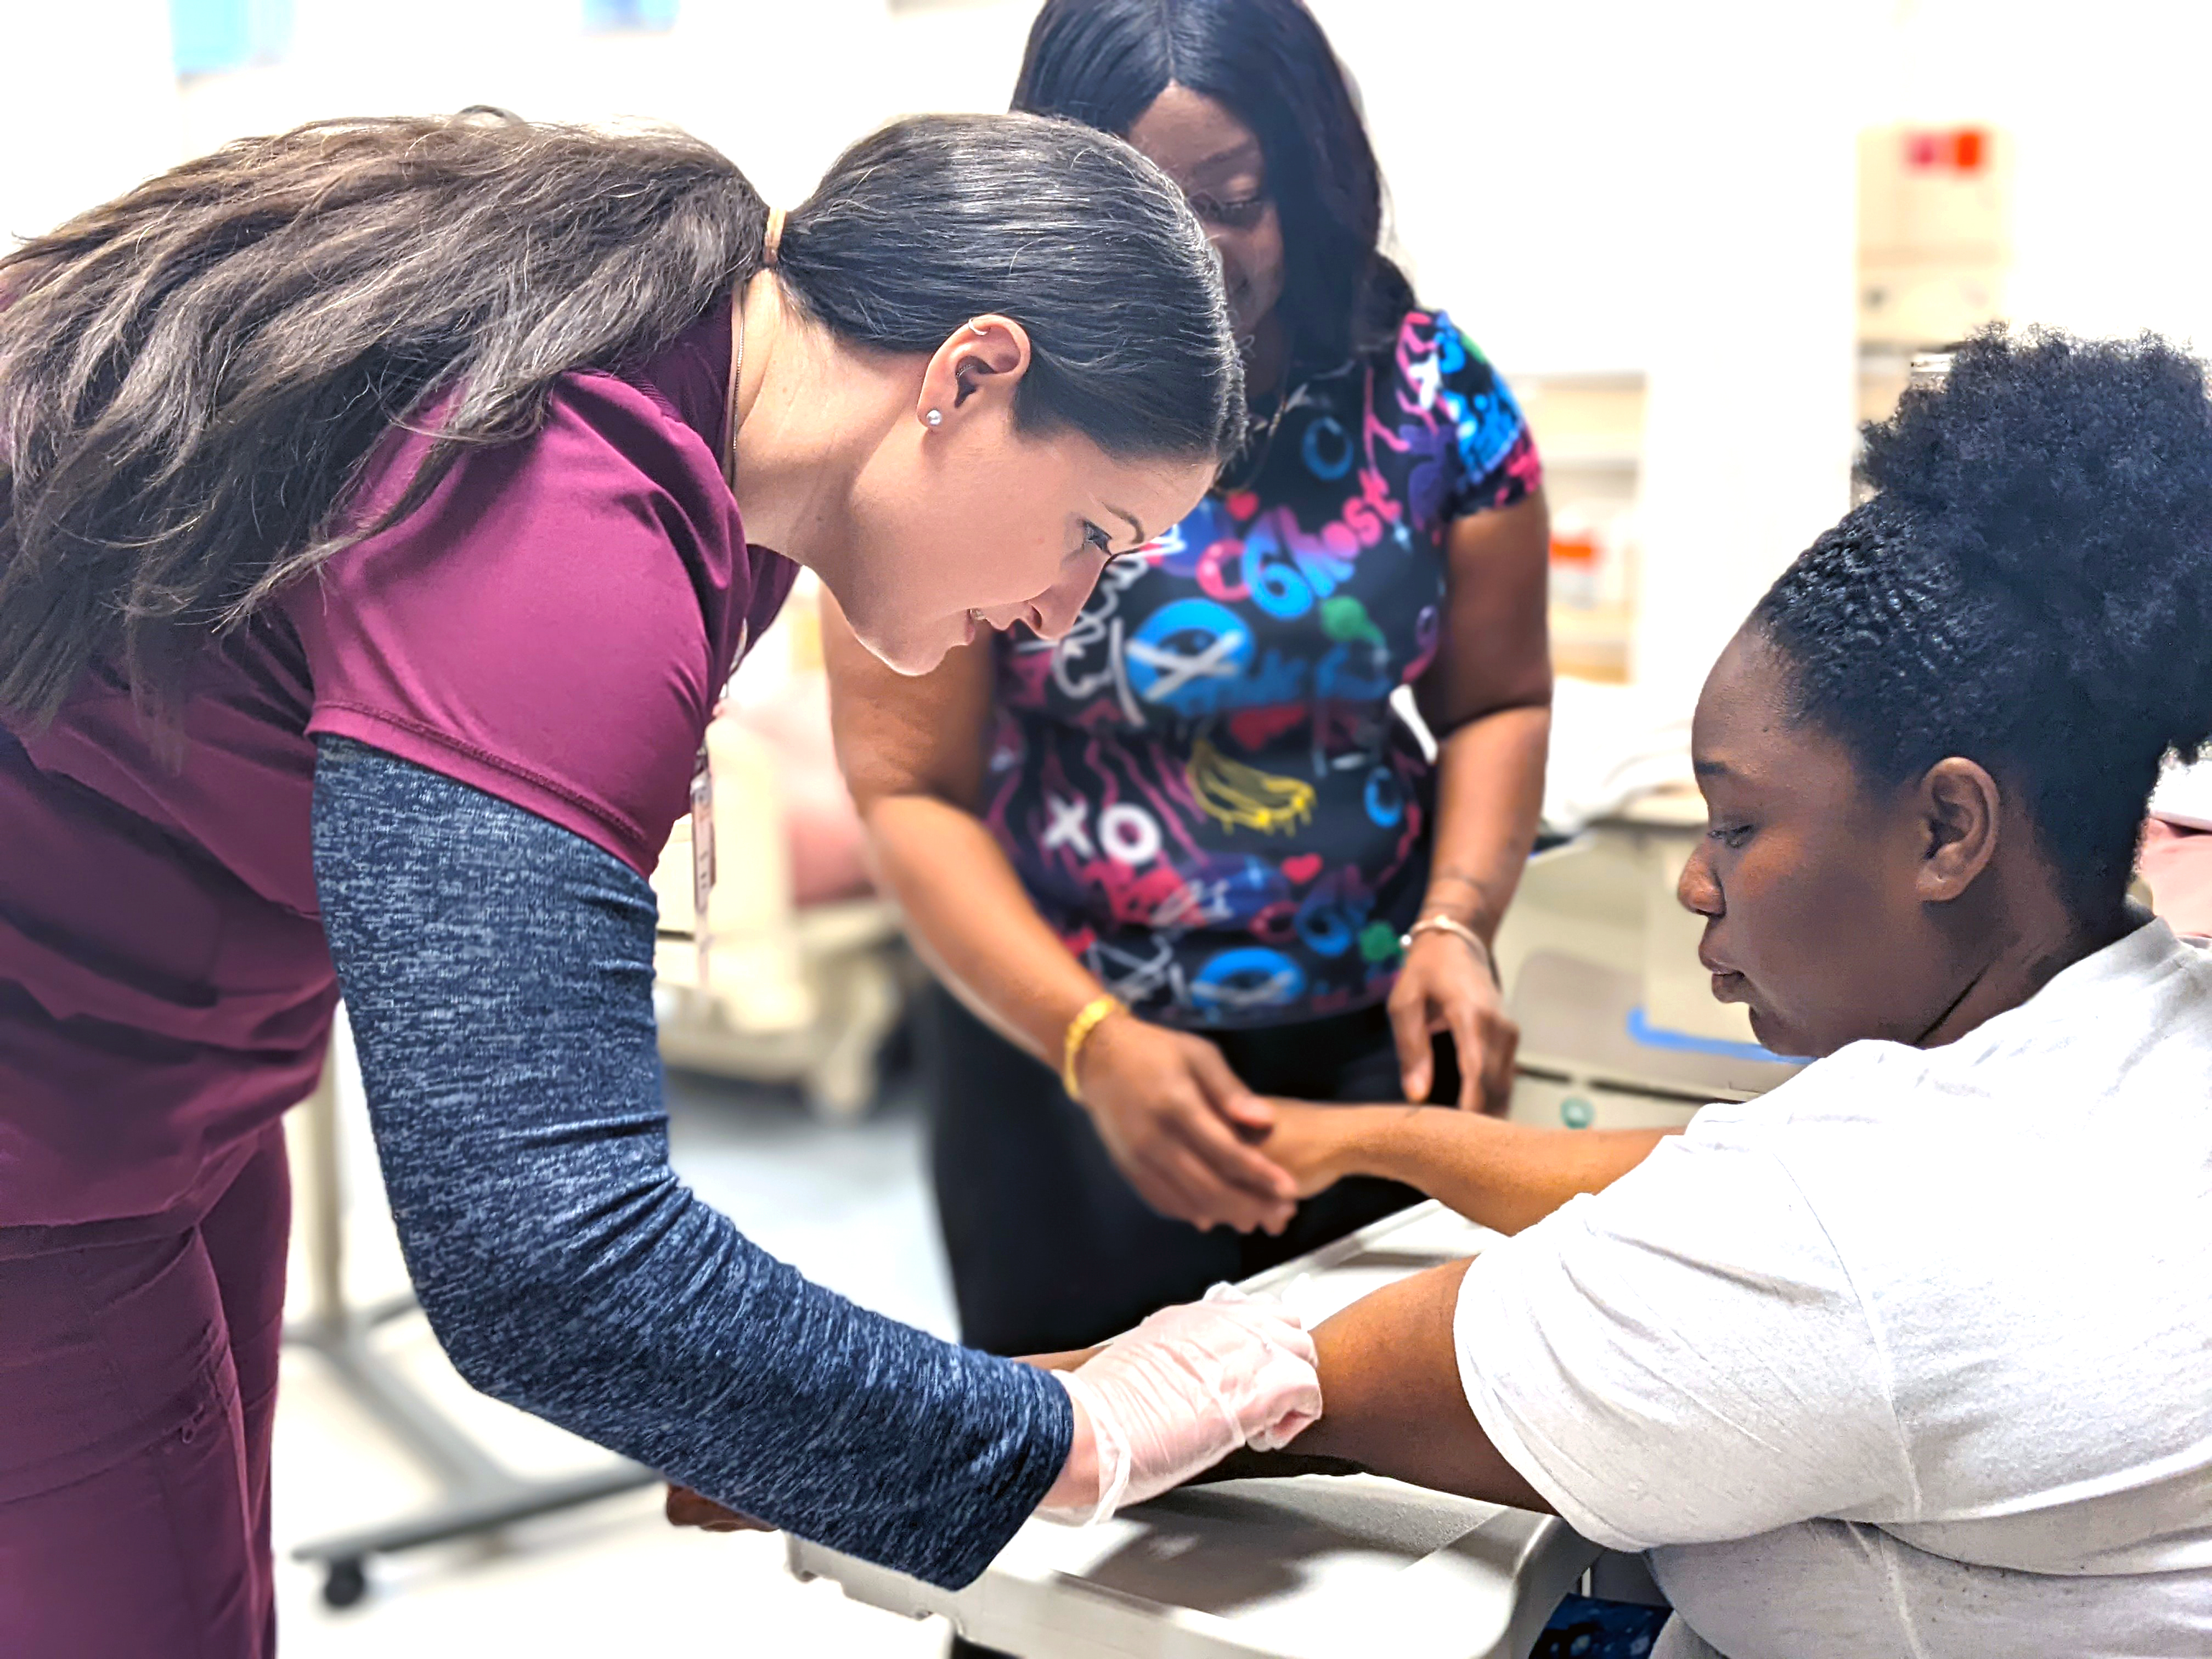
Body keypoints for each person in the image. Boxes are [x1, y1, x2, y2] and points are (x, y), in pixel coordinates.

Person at [0, 110, 1326, 1658]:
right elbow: (545, 1266)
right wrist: (1060, 1438)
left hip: (172, 1063)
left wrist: (767, 1404)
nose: (1059, 612)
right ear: (969, 377)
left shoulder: (702, 381)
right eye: (1093, 536)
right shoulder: (561, 527)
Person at [1278, 328, 2212, 1656]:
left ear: (1950, 830)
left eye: (1736, 827)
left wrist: (920, 1406)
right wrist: (1380, 1139)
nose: (1695, 886)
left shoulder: (1864, 1226)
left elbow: (1271, 1392)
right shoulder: (2141, 1032)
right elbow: (1703, 1176)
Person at [826, 0, 1553, 1367]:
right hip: (1063, 1042)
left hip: (1366, 1031)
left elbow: (1495, 701)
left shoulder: (1432, 395)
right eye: (1150, 204)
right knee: (1093, 1479)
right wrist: (1094, 1040)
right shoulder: (974, 401)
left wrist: (1456, 922)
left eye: (1235, 199)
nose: (1201, 255)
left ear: (1311, 180)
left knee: (1373, 1455)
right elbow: (904, 787)